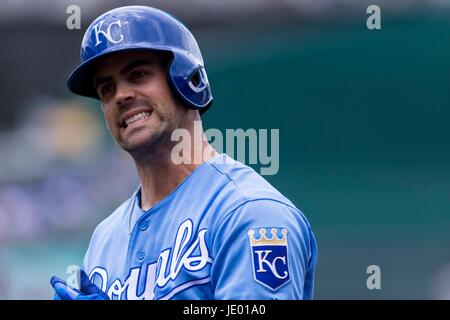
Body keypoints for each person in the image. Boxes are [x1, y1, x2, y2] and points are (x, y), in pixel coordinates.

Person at [50, 5, 318, 300]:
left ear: (188, 79)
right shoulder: (104, 237)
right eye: (106, 89)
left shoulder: (250, 213)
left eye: (138, 74)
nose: (120, 95)